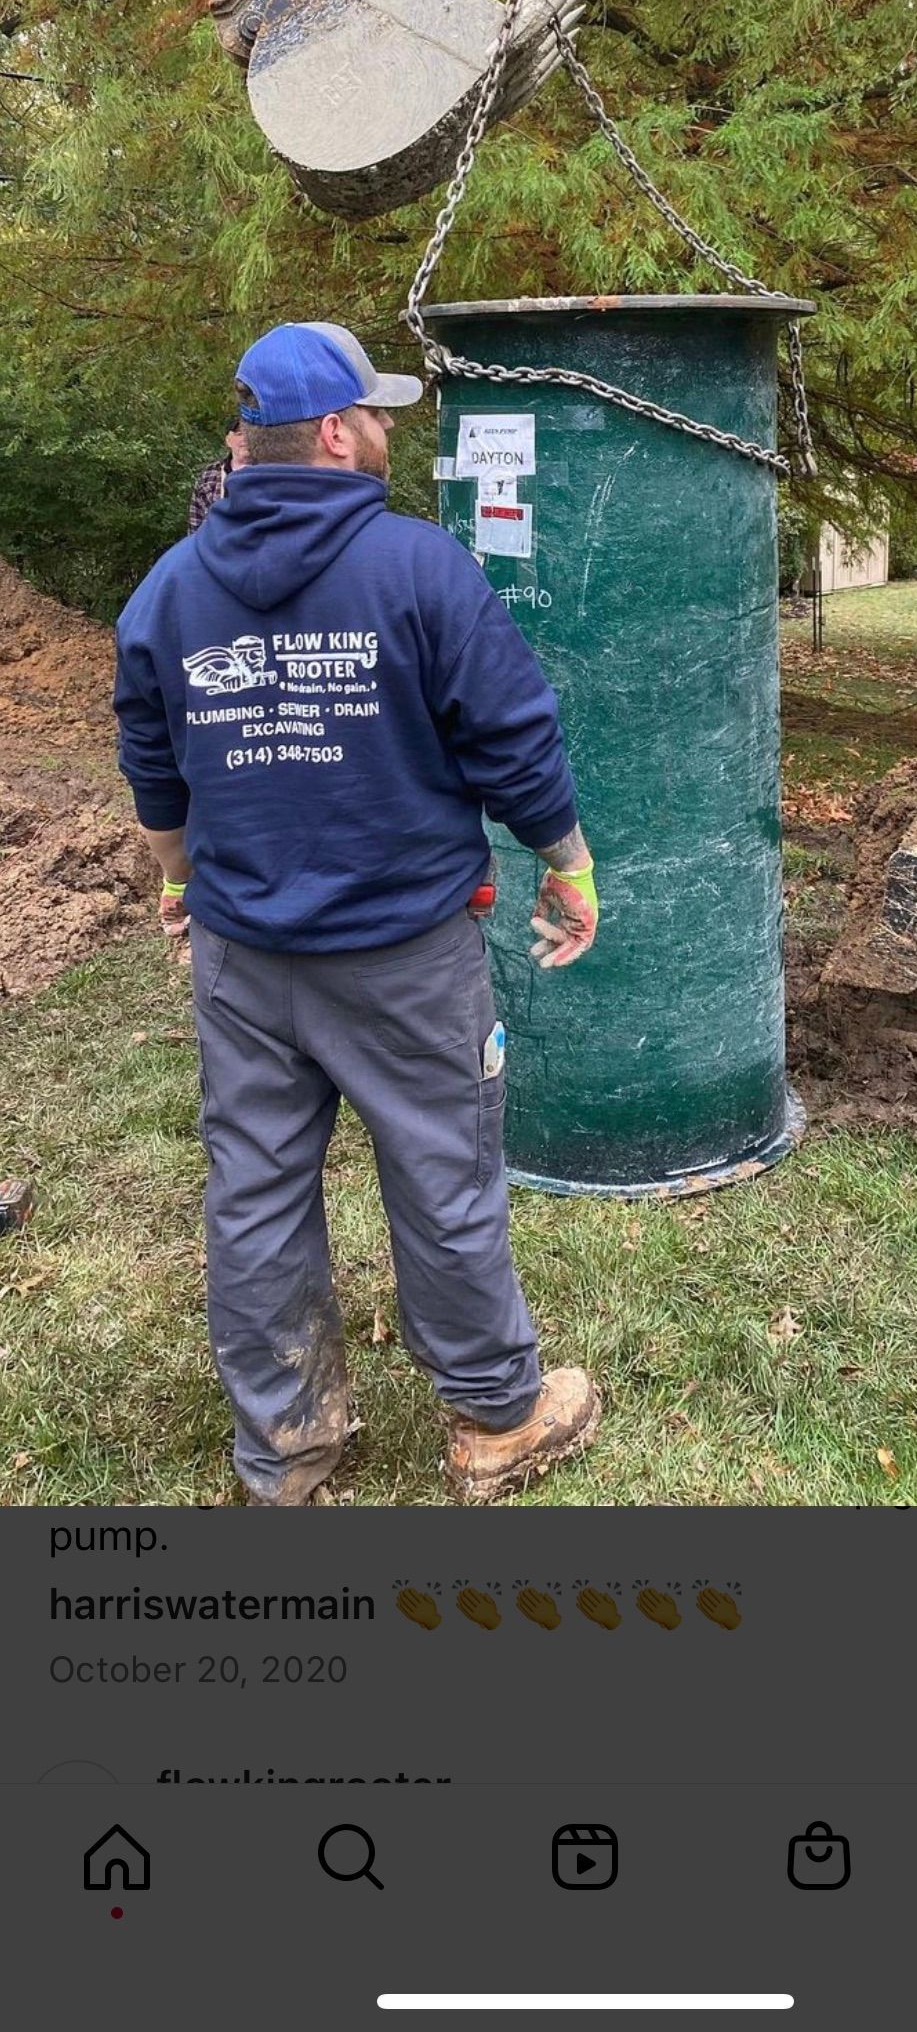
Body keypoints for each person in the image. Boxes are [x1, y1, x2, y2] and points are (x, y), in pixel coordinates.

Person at [114, 319, 601, 1506]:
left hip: (244, 959)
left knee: (258, 1190)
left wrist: (180, 883)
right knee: (442, 1173)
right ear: (335, 434)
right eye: (377, 413)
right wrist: (569, 863)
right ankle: (497, 1420)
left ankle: (286, 1452)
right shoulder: (420, 567)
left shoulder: (169, 592)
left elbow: (154, 772)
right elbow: (514, 740)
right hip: (404, 957)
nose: (390, 428)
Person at [187, 413, 250, 533]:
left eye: (249, 433)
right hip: (214, 548)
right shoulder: (209, 474)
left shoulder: (267, 471)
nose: (245, 438)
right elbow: (195, 522)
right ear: (228, 440)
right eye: (239, 434)